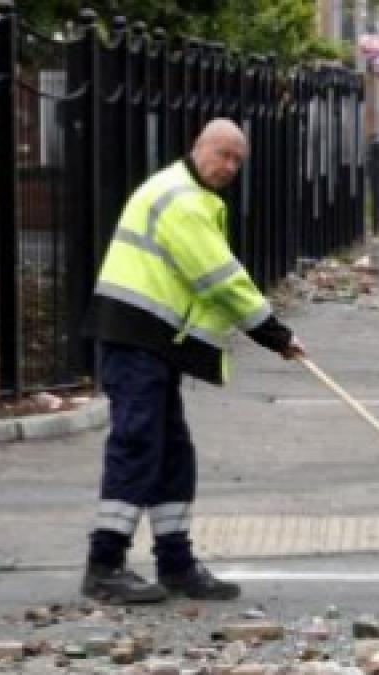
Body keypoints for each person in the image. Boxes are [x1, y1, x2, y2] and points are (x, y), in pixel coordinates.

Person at [80, 118, 304, 604]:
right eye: (223, 155)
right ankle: (104, 564)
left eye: (237, 161)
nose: (229, 167)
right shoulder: (182, 200)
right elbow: (219, 278)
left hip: (151, 343)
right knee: (138, 444)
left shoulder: (189, 196)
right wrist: (274, 333)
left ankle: (176, 564)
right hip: (133, 337)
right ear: (199, 148)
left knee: (171, 452)